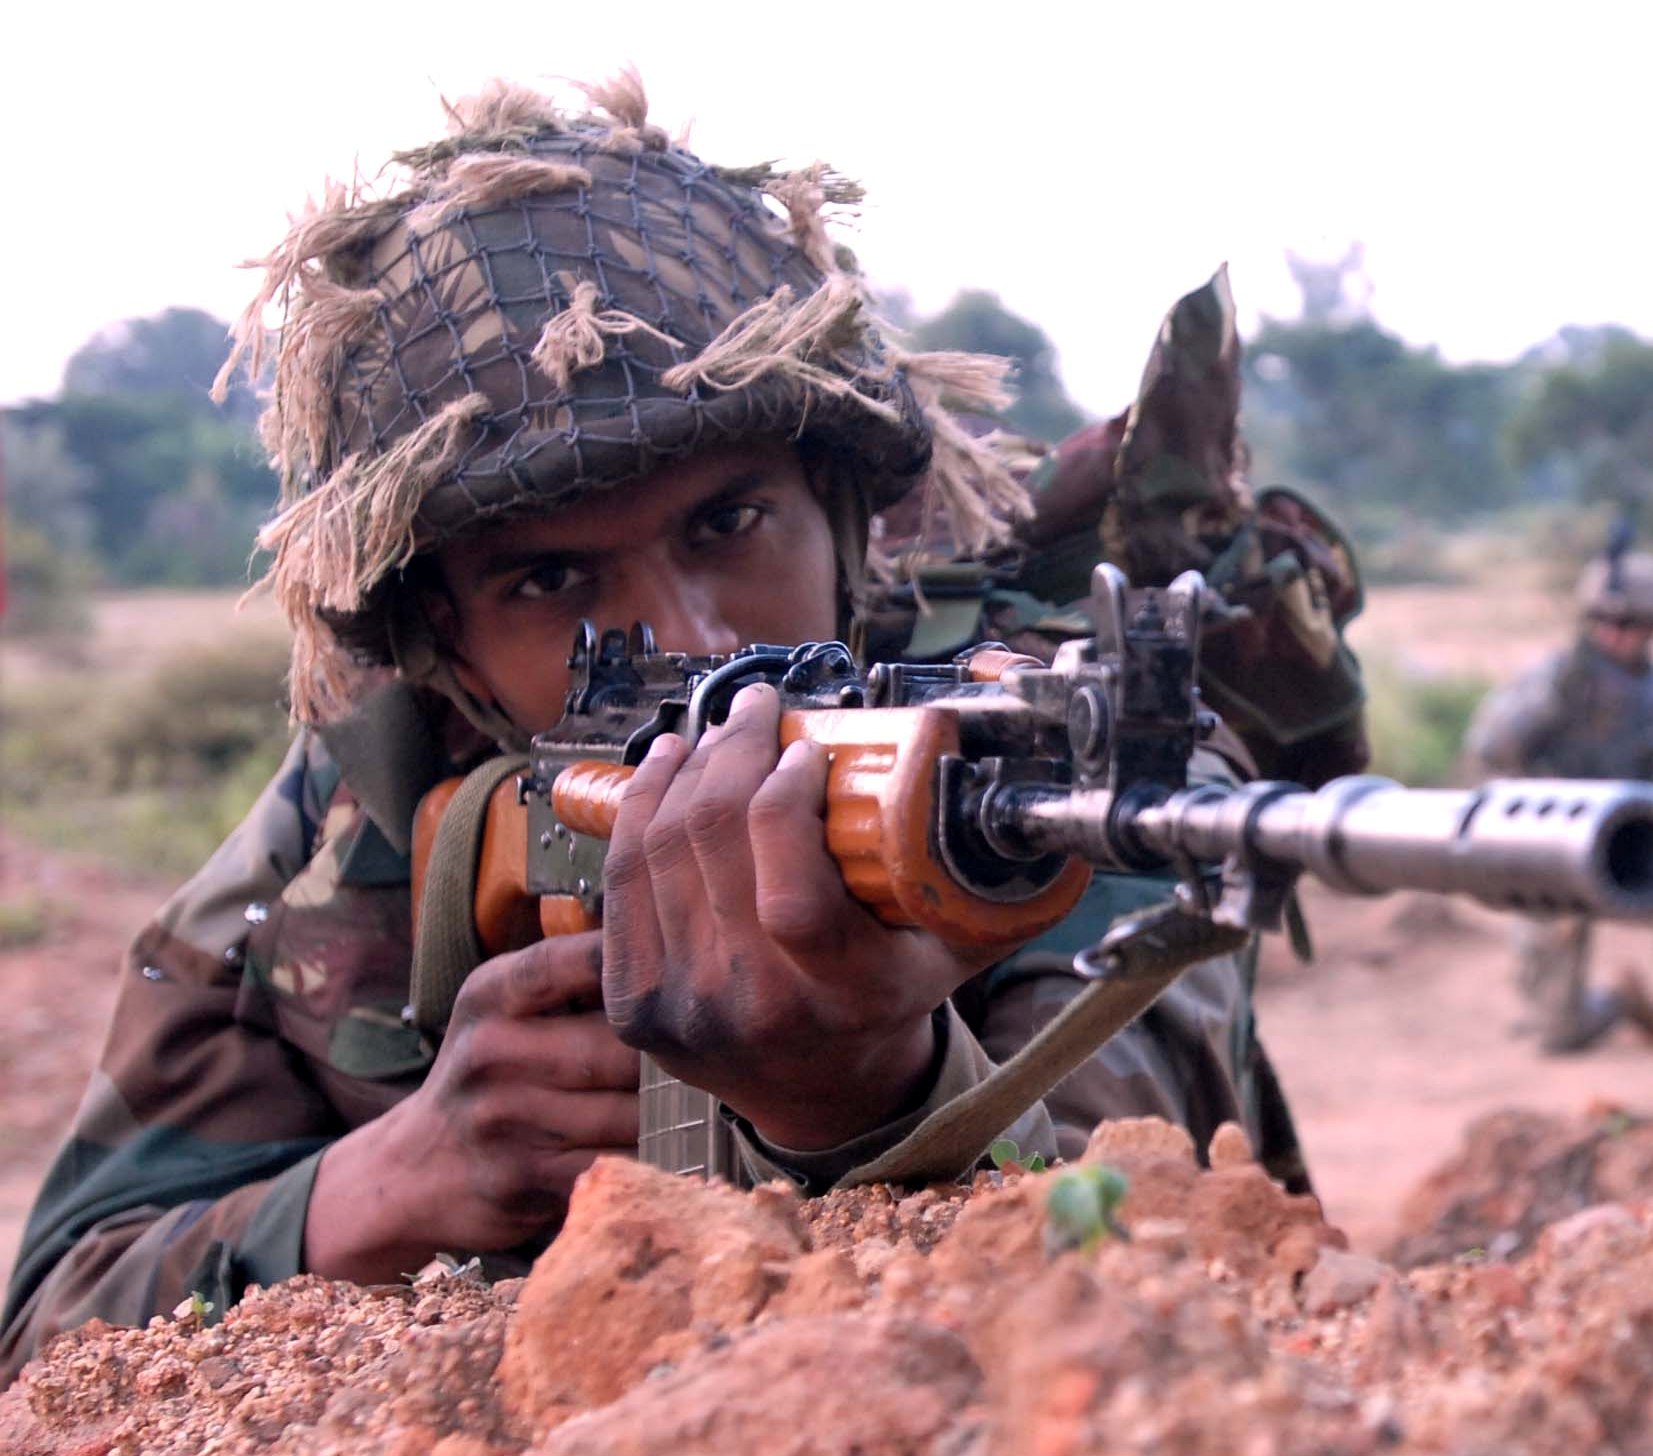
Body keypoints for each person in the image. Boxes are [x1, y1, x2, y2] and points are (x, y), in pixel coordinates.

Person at [0, 77, 1307, 1381]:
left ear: (841, 512)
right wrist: (402, 1177)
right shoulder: (373, 800)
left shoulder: (1037, 764)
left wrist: (856, 1092)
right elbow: (52, 1325)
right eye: (552, 580)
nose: (692, 638)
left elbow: (1117, 1256)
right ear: (446, 638)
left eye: (728, 524)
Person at [1465, 538, 1653, 1057]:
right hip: (1555, 845)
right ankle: (1620, 1003)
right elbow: (1489, 750)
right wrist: (1550, 704)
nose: (1614, 634)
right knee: (1557, 1036)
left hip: (1631, 839)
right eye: (1604, 621)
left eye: (1630, 624)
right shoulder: (1554, 682)